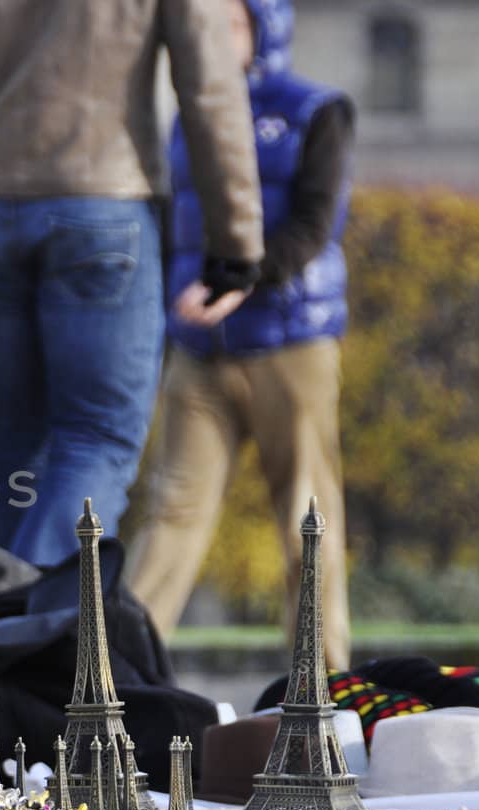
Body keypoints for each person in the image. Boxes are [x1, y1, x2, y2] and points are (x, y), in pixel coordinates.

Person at [0, 0, 265, 566]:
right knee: (99, 440)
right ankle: (25, 621)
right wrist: (235, 237)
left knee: (13, 458)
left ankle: (9, 634)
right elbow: (210, 82)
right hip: (104, 198)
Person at [126, 0, 357, 670]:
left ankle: (322, 688)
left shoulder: (317, 110)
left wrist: (238, 280)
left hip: (291, 341)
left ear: (265, 27)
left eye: (230, 23)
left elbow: (315, 227)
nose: (214, 38)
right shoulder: (182, 122)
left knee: (306, 519)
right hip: (201, 351)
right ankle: (117, 679)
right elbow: (174, 232)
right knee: (171, 515)